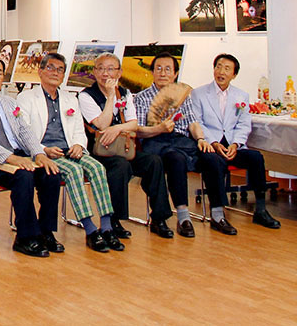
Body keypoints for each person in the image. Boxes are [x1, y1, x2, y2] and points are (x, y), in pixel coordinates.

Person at [17, 52, 120, 252]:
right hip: (45, 152)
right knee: (74, 172)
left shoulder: (70, 98)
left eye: (60, 69)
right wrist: (43, 149)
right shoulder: (26, 98)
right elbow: (24, 132)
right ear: (40, 71)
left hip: (71, 149)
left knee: (98, 168)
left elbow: (79, 130)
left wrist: (79, 145)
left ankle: (107, 227)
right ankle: (90, 230)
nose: (55, 72)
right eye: (50, 68)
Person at [0, 55, 63, 258]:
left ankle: (45, 231)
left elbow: (24, 131)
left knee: (51, 173)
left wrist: (39, 153)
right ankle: (25, 237)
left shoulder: (9, 102)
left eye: (0, 73)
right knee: (23, 176)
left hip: (17, 155)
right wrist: (10, 158)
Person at [77, 53, 175, 238]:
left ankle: (159, 218)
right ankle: (114, 220)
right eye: (101, 68)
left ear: (119, 72)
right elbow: (102, 124)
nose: (105, 73)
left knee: (153, 162)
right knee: (121, 166)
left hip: (124, 148)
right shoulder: (86, 95)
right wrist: (110, 97)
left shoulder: (126, 93)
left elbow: (133, 124)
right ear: (94, 72)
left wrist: (117, 129)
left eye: (110, 69)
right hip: (100, 152)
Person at [192, 53, 281, 231]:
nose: (221, 72)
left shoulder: (241, 96)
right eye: (218, 67)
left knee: (256, 157)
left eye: (227, 69)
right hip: (210, 147)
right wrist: (214, 142)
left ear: (234, 74)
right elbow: (197, 122)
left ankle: (260, 210)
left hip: (233, 147)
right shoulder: (198, 94)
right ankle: (217, 214)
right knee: (214, 162)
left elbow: (243, 124)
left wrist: (236, 144)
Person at [133, 52, 217, 238]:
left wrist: (201, 139)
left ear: (175, 73)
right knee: (176, 159)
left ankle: (218, 215)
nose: (163, 73)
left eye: (167, 69)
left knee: (212, 157)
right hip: (155, 141)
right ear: (152, 72)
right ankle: (183, 217)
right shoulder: (141, 98)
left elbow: (192, 122)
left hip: (181, 140)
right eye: (158, 69)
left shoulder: (183, 96)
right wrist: (159, 129)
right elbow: (138, 131)